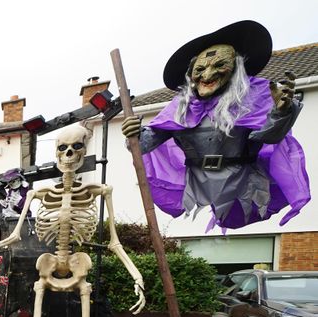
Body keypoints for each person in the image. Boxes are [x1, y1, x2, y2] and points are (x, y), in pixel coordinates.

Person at [121, 20, 309, 231]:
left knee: (243, 210)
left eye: (219, 65)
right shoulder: (180, 107)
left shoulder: (256, 96)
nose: (208, 75)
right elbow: (144, 144)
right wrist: (134, 135)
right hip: (198, 180)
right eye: (200, 69)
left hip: (241, 178)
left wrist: (282, 113)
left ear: (236, 67)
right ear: (191, 73)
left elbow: (270, 136)